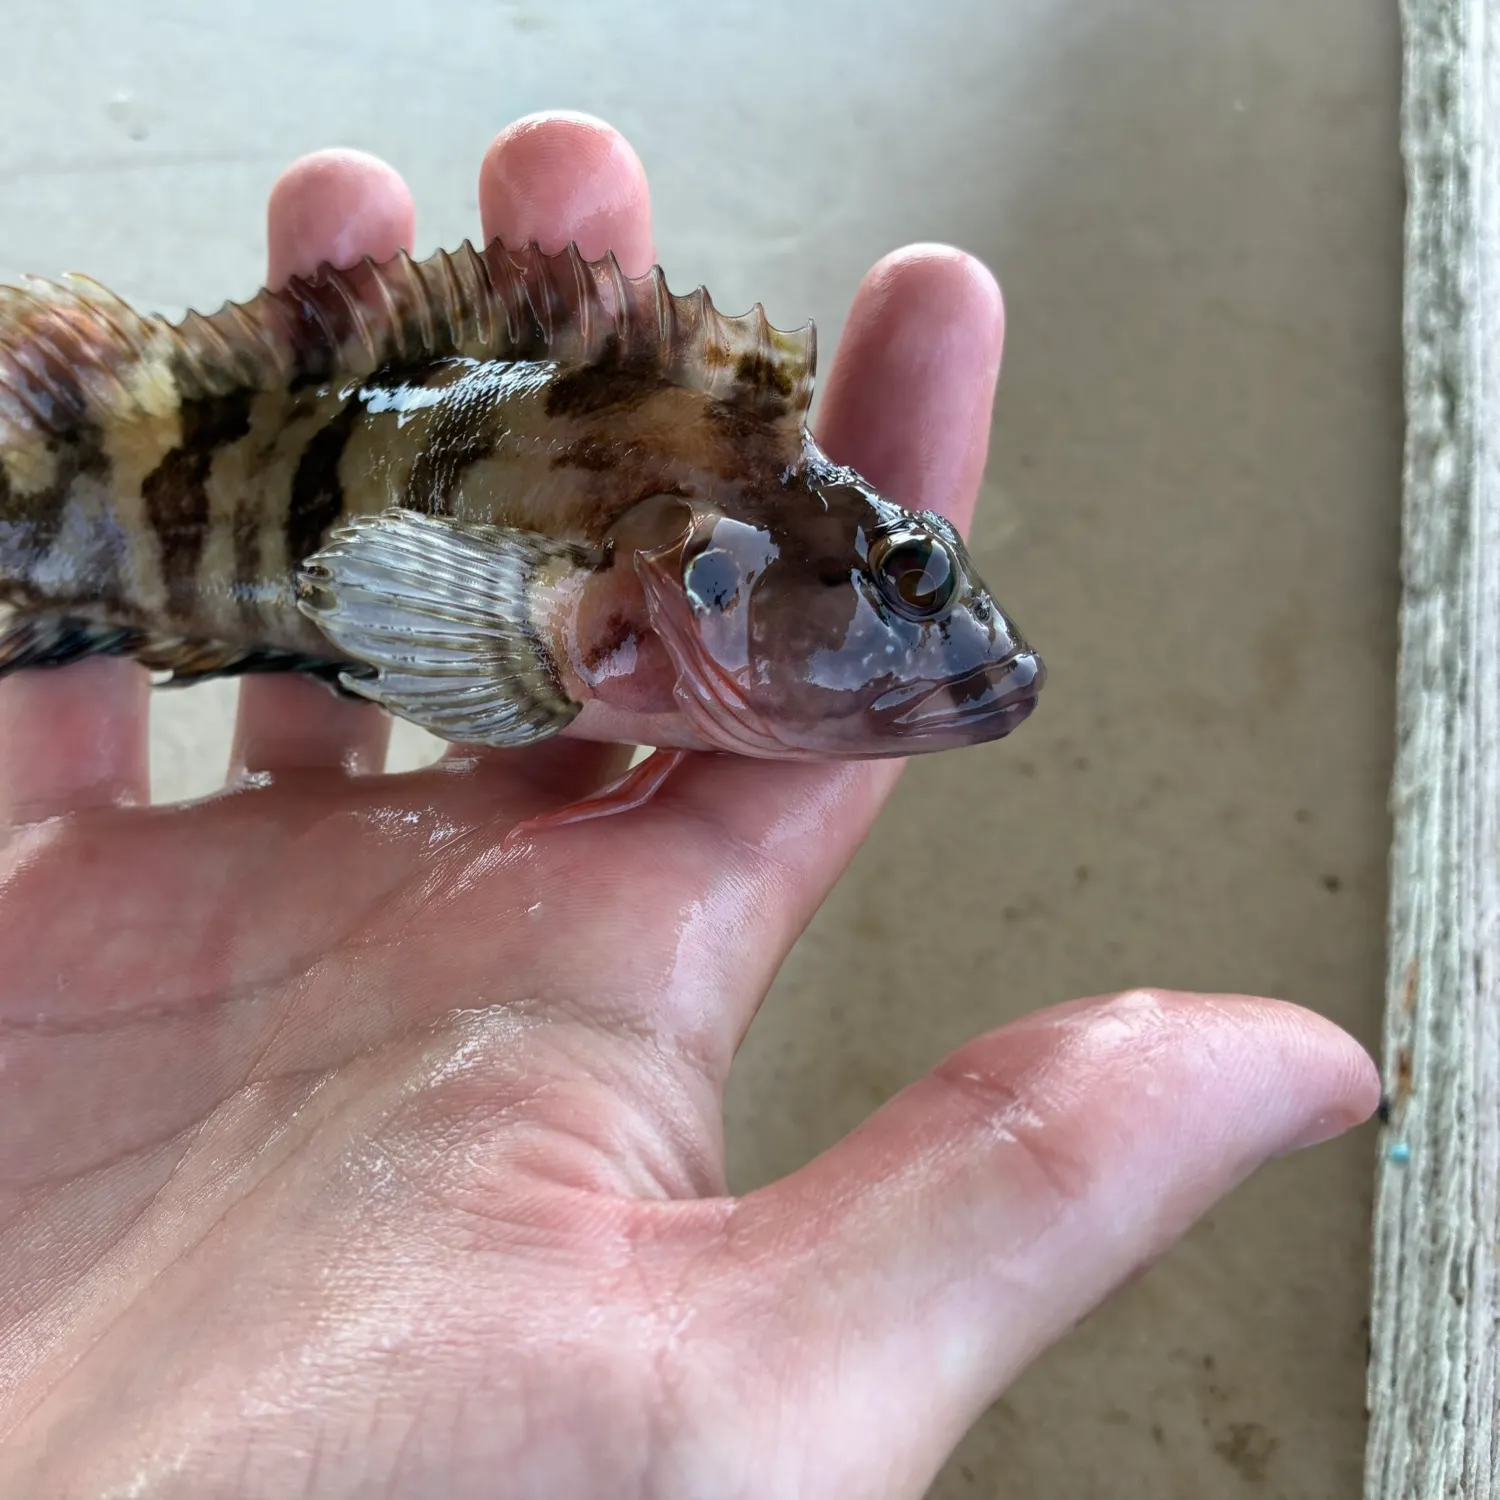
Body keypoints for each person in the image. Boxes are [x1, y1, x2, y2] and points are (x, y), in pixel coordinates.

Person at [0, 112, 1378, 1498]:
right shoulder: (655, 554)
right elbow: (390, 597)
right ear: (701, 574)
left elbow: (381, 595)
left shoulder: (694, 541)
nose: (939, 645)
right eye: (901, 582)